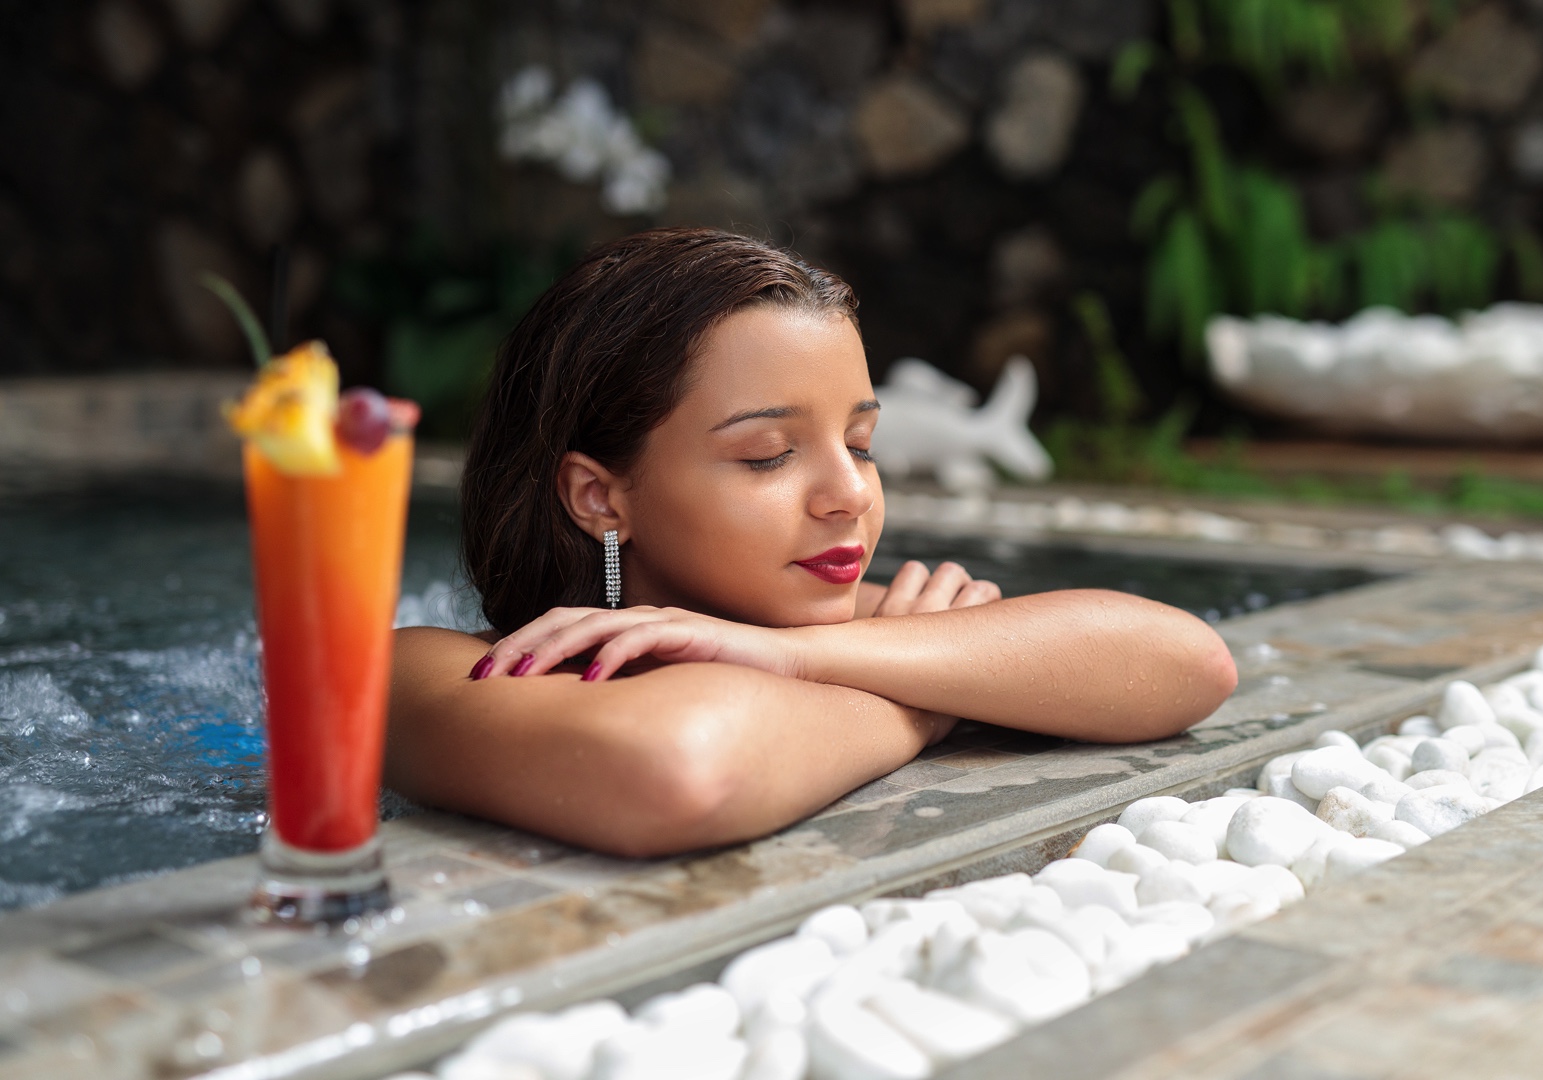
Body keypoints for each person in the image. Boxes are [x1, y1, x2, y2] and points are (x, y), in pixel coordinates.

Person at [386, 228, 1236, 857]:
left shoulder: (830, 625)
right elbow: (678, 769)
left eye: (862, 444)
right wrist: (926, 701)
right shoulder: (415, 673)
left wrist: (795, 657)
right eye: (768, 455)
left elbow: (1188, 664)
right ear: (600, 498)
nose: (850, 496)